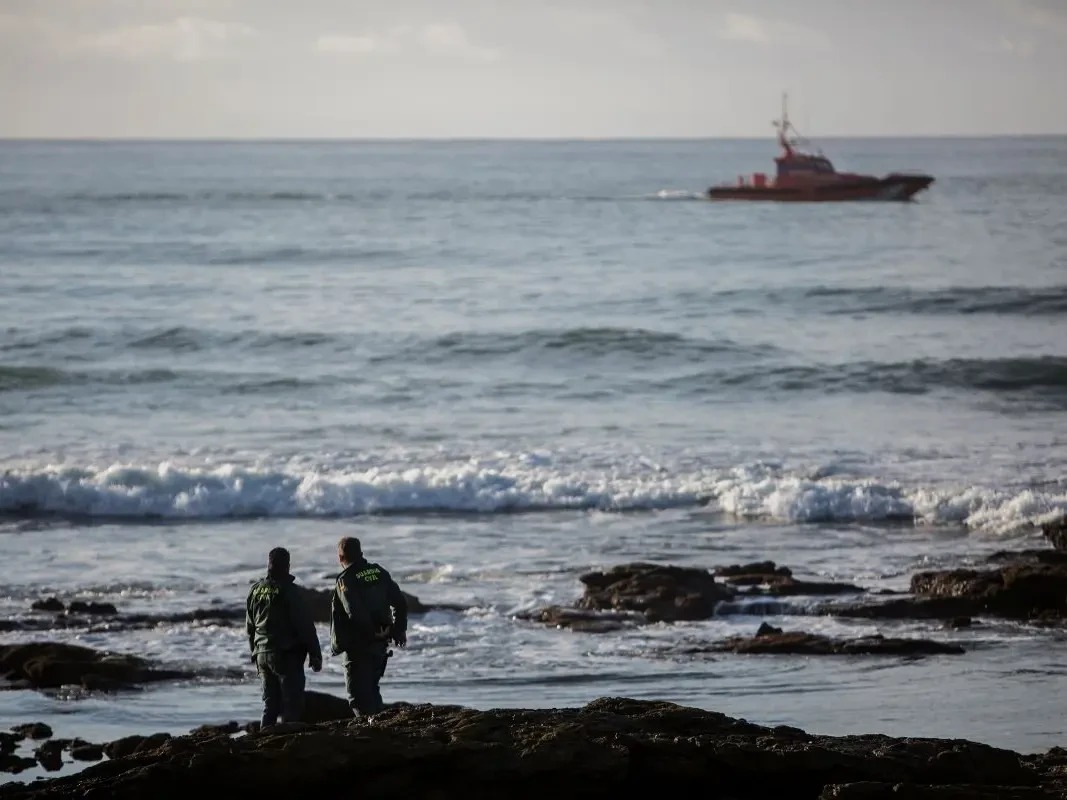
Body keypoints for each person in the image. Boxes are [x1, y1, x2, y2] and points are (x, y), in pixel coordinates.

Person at [330, 536, 407, 717]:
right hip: (380, 646)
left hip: (358, 647)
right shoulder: (379, 572)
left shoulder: (345, 579)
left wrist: (372, 633)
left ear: (340, 558)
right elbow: (400, 602)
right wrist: (399, 629)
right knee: (372, 690)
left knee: (357, 697)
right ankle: (379, 730)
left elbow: (354, 612)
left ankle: (371, 736)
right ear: (361, 553)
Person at [245, 547, 322, 728]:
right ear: (288, 566)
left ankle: (263, 744)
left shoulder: (255, 590)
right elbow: (304, 626)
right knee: (292, 705)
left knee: (270, 705)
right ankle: (287, 747)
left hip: (262, 654)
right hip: (285, 655)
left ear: (269, 564)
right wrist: (315, 654)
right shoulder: (289, 591)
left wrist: (254, 653)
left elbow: (250, 627)